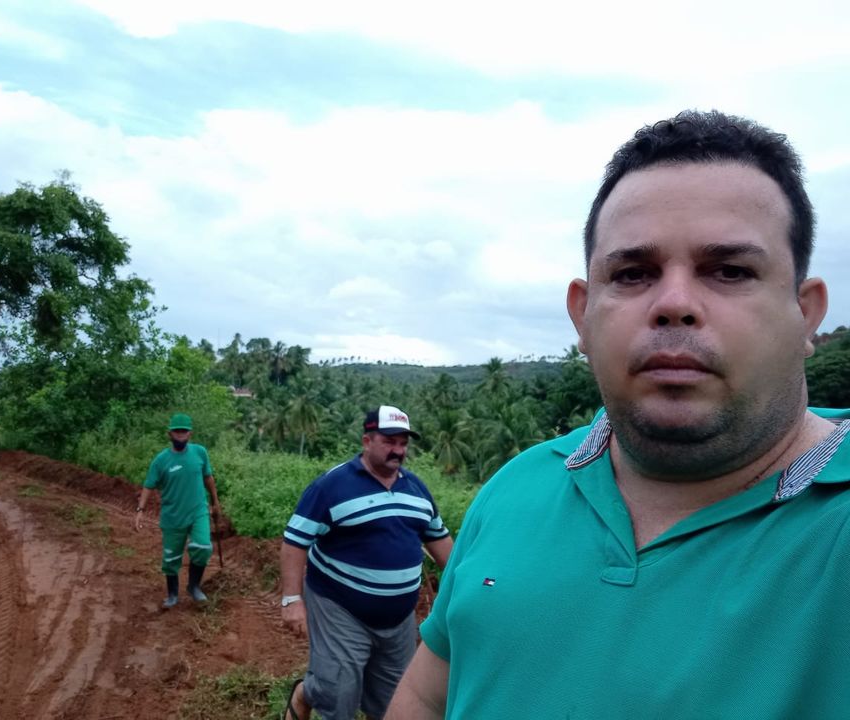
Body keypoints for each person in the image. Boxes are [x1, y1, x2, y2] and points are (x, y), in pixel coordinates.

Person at [386, 110, 850, 719]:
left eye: (730, 271)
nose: (675, 304)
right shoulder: (519, 486)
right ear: (583, 314)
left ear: (805, 312)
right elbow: (426, 693)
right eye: (633, 273)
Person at [280, 405, 454, 720]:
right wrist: (292, 600)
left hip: (399, 619)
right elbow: (295, 542)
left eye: (403, 443)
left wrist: (464, 583)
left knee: (397, 701)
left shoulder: (416, 490)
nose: (398, 451)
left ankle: (323, 688)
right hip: (340, 608)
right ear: (366, 440)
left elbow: (440, 541)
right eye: (389, 442)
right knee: (339, 694)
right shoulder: (332, 486)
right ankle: (307, 692)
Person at [135, 412, 221, 609]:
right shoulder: (161, 460)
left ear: (190, 433)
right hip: (172, 516)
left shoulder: (200, 453)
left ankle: (194, 586)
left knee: (202, 547)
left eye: (184, 431)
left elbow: (208, 478)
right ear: (170, 434)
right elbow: (149, 486)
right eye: (177, 432)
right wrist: (140, 509)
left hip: (198, 511)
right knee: (171, 558)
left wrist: (215, 501)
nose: (180, 435)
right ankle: (172, 594)